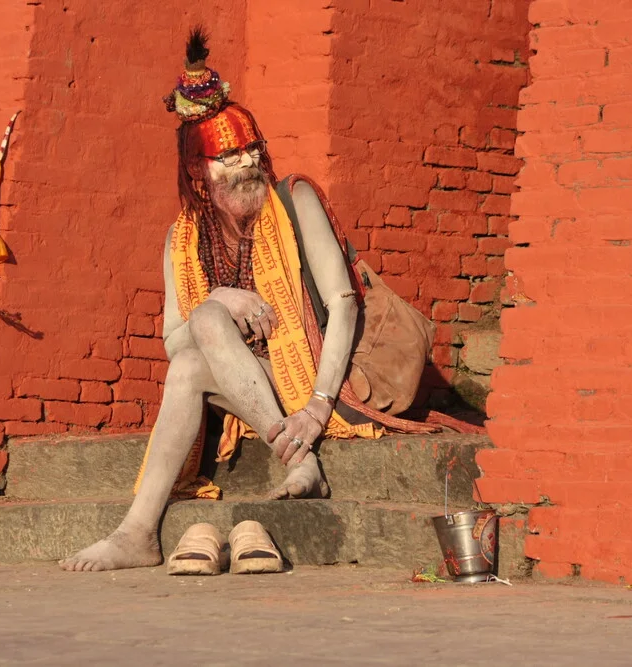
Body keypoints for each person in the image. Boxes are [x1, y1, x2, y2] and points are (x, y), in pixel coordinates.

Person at [61, 29, 418, 572]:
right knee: (187, 358)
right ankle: (137, 532)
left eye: (253, 148)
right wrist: (222, 298)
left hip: (325, 374)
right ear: (199, 170)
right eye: (229, 155)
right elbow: (175, 340)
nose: (247, 161)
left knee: (194, 347)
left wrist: (319, 406)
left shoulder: (293, 197)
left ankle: (298, 455)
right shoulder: (182, 238)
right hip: (254, 383)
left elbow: (343, 303)